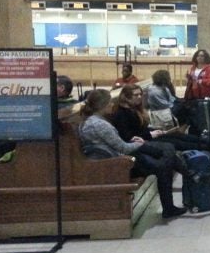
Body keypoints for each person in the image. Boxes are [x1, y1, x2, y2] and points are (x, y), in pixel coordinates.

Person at [78, 89, 186, 219]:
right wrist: (139, 143)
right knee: (164, 164)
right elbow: (123, 148)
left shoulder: (92, 121)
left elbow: (119, 145)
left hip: (114, 160)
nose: (112, 105)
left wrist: (135, 142)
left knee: (165, 157)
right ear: (103, 105)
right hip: (117, 165)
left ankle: (187, 179)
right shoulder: (99, 125)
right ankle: (183, 185)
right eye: (110, 103)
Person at [111, 84, 210, 152]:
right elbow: (128, 135)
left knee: (177, 135)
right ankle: (205, 146)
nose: (139, 97)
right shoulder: (121, 113)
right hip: (143, 141)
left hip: (148, 136)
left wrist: (156, 131)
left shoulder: (134, 109)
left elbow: (141, 128)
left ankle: (205, 141)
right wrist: (151, 134)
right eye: (136, 95)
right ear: (127, 97)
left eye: (140, 94)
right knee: (175, 142)